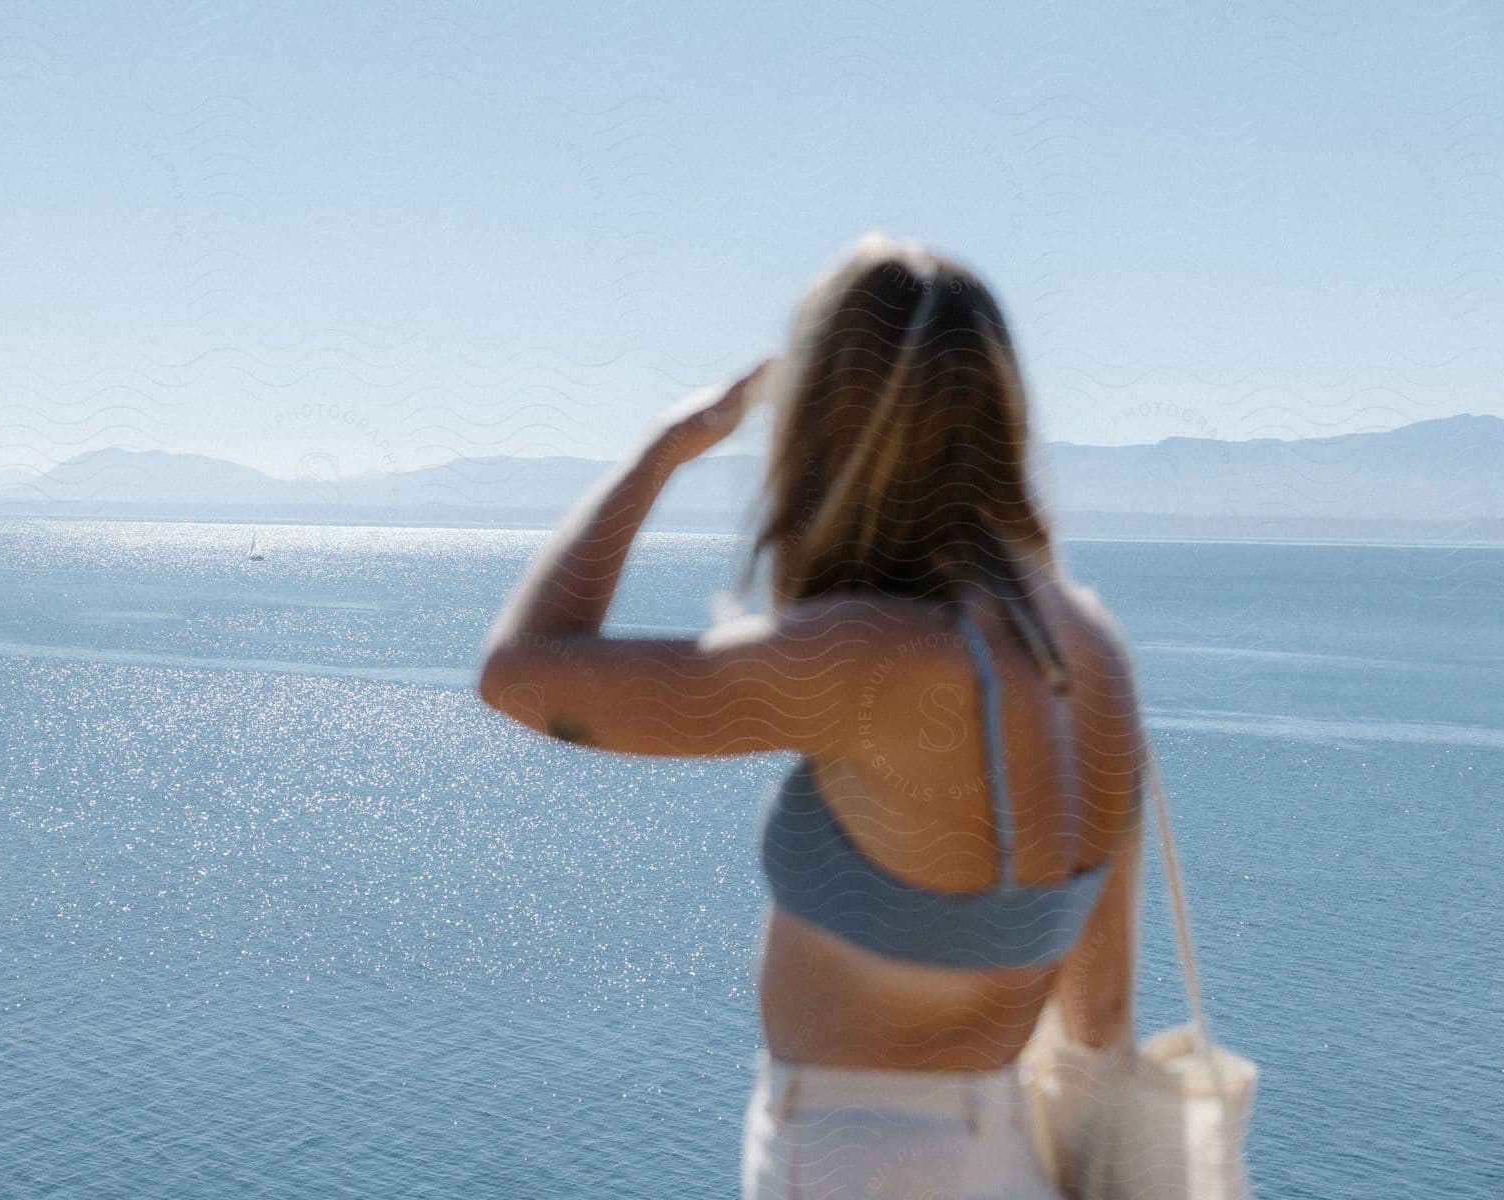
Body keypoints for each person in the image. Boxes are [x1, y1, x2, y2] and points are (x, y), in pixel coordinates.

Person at [478, 234, 1145, 1198]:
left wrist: (666, 445)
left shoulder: (871, 656)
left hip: (855, 1161)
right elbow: (1102, 1010)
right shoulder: (1091, 646)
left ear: (826, 420)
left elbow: (521, 675)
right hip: (1003, 1150)